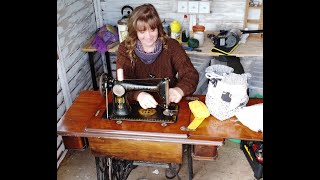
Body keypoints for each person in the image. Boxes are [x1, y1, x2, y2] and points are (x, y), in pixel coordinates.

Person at [116, 3, 199, 179]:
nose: (148, 36)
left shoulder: (172, 46)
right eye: (142, 31)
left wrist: (179, 90)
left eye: (152, 29)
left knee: (171, 135)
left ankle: (171, 157)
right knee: (133, 138)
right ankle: (135, 153)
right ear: (134, 31)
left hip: (166, 101)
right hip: (137, 103)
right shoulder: (125, 49)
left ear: (158, 28)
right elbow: (121, 84)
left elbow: (190, 74)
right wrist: (138, 94)